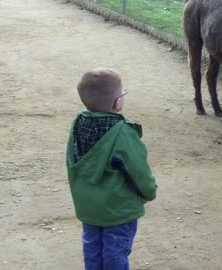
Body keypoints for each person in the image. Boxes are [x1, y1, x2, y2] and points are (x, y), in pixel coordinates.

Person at [65, 67, 157, 270]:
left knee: (92, 248)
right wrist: (149, 192)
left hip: (88, 206)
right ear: (117, 102)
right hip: (117, 209)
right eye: (123, 93)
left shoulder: (78, 124)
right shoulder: (122, 133)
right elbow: (137, 170)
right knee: (115, 250)